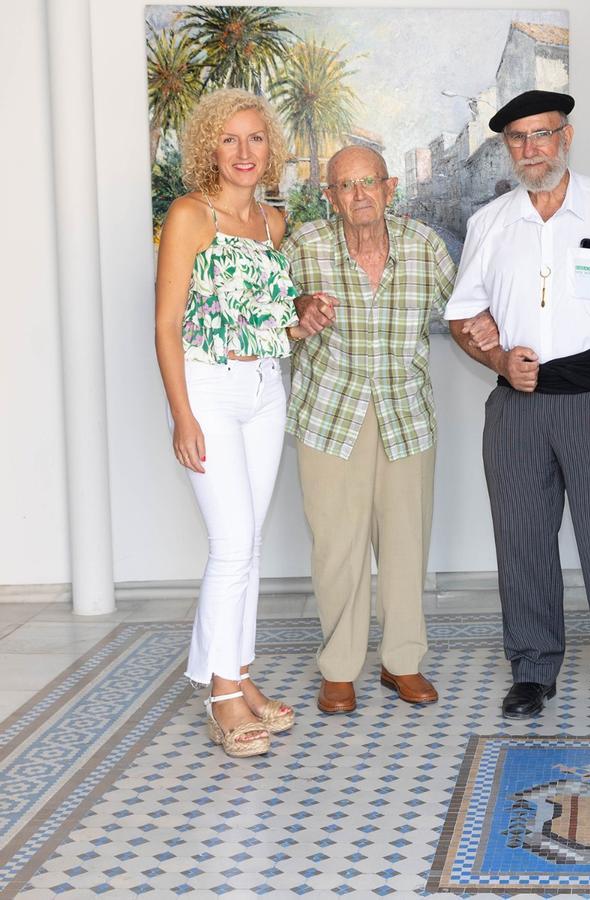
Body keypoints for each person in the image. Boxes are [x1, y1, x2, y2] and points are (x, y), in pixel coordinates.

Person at [445, 90, 590, 730]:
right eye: (518, 138)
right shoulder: (490, 223)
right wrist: (497, 362)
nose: (531, 148)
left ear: (566, 137)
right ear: (508, 148)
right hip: (518, 408)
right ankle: (531, 669)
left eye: (542, 134)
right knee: (521, 541)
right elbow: (464, 315)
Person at [284, 146, 497, 715]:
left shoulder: (424, 247)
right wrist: (295, 316)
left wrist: (506, 347)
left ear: (390, 186)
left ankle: (402, 661)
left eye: (368, 183)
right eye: (345, 186)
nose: (358, 195)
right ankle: (339, 668)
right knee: (337, 549)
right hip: (329, 418)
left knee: (406, 545)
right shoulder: (304, 247)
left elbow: (466, 315)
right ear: (330, 197)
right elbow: (272, 327)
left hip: (406, 416)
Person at [154, 89, 309, 758]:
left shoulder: (274, 225)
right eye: (229, 140)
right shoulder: (191, 216)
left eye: (255, 139)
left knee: (249, 545)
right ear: (208, 149)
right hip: (208, 387)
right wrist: (182, 413)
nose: (244, 153)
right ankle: (221, 695)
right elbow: (164, 325)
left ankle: (239, 676)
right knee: (231, 543)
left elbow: (271, 320)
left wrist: (302, 320)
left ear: (268, 149)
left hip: (264, 387)